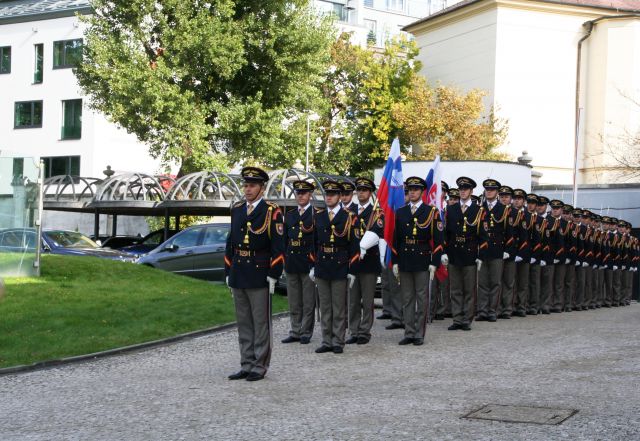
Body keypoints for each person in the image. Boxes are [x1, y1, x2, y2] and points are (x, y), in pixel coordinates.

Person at [225, 166, 285, 382]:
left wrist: (274, 273)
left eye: (252, 186)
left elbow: (279, 246)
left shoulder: (272, 211)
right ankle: (246, 363)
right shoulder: (237, 209)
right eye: (246, 185)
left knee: (260, 324)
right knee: (244, 323)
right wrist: (228, 270)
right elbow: (230, 243)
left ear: (262, 188)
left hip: (260, 273)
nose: (247, 189)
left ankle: (259, 365)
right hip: (239, 271)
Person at [392, 176, 444, 345]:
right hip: (405, 259)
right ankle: (409, 332)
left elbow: (438, 240)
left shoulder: (431, 212)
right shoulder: (401, 212)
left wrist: (434, 262)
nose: (412, 192)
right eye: (410, 190)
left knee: (422, 299)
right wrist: (395, 261)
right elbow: (396, 239)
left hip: (422, 259)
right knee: (407, 299)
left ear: (422, 192)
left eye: (416, 190)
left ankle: (419, 333)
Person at [311, 180, 358, 354]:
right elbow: (313, 243)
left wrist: (352, 269)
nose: (329, 197)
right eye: (327, 194)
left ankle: (338, 340)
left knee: (338, 307)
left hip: (340, 265)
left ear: (339, 196)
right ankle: (326, 340)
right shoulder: (319, 216)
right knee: (325, 306)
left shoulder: (349, 217)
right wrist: (312, 265)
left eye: (332, 195)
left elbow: (354, 245)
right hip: (322, 264)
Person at [444, 176, 488, 331]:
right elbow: (446, 233)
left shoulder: (479, 210)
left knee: (469, 289)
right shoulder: (451, 209)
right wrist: (444, 252)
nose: (462, 192)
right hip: (454, 253)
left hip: (470, 253)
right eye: (461, 189)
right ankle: (457, 319)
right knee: (455, 289)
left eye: (466, 189)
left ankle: (467, 320)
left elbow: (484, 236)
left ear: (471, 191)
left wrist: (481, 255)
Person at [346, 177, 384, 345]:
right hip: (352, 262)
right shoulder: (349, 210)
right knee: (353, 300)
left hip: (369, 262)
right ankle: (353, 330)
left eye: (364, 190)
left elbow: (378, 231)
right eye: (359, 190)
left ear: (370, 193)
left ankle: (364, 331)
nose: (361, 193)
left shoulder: (377, 212)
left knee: (367, 300)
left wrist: (363, 245)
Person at [281, 180, 317, 345]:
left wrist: (315, 264)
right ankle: (295, 330)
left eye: (304, 193)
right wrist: (283, 261)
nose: (301, 196)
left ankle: (306, 332)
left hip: (307, 262)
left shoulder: (316, 214)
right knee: (294, 301)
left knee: (308, 301)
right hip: (292, 262)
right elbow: (284, 240)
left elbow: (317, 241)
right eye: (298, 193)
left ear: (310, 195)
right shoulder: (289, 215)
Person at [476, 179, 509, 322]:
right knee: (482, 282)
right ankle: (482, 311)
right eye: (487, 190)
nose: (489, 192)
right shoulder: (479, 208)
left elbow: (509, 232)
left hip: (497, 250)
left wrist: (507, 249)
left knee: (495, 282)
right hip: (482, 251)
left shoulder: (504, 209)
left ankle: (492, 311)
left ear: (497, 192)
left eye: (492, 190)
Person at [496, 186, 522, 319]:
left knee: (508, 282)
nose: (504, 199)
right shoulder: (495, 211)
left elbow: (521, 235)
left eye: (506, 197)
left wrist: (517, 252)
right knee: (496, 282)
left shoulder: (517, 213)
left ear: (511, 198)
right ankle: (497, 308)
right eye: (502, 196)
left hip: (511, 251)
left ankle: (507, 309)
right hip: (497, 251)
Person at [512, 189, 535, 317]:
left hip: (525, 253)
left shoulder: (529, 216)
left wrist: (523, 253)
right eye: (515, 198)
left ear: (524, 201)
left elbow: (532, 237)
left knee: (522, 282)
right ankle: (511, 305)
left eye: (519, 199)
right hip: (511, 252)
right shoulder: (508, 213)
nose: (517, 201)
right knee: (510, 281)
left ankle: (521, 306)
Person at [548, 200, 567, 313]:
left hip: (562, 257)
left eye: (557, 208)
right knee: (549, 282)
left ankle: (558, 304)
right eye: (553, 208)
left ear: (561, 210)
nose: (555, 210)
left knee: (559, 283)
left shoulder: (566, 224)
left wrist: (566, 256)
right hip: (550, 256)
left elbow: (569, 242)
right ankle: (548, 304)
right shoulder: (547, 221)